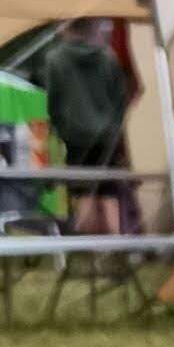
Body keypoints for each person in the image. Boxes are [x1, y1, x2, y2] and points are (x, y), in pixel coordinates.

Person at [41, 17, 138, 233]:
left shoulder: (55, 59)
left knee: (84, 193)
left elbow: (53, 104)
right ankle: (114, 243)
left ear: (67, 27)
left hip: (75, 138)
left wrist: (60, 128)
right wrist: (113, 128)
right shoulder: (108, 57)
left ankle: (90, 244)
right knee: (108, 193)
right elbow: (120, 98)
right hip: (107, 138)